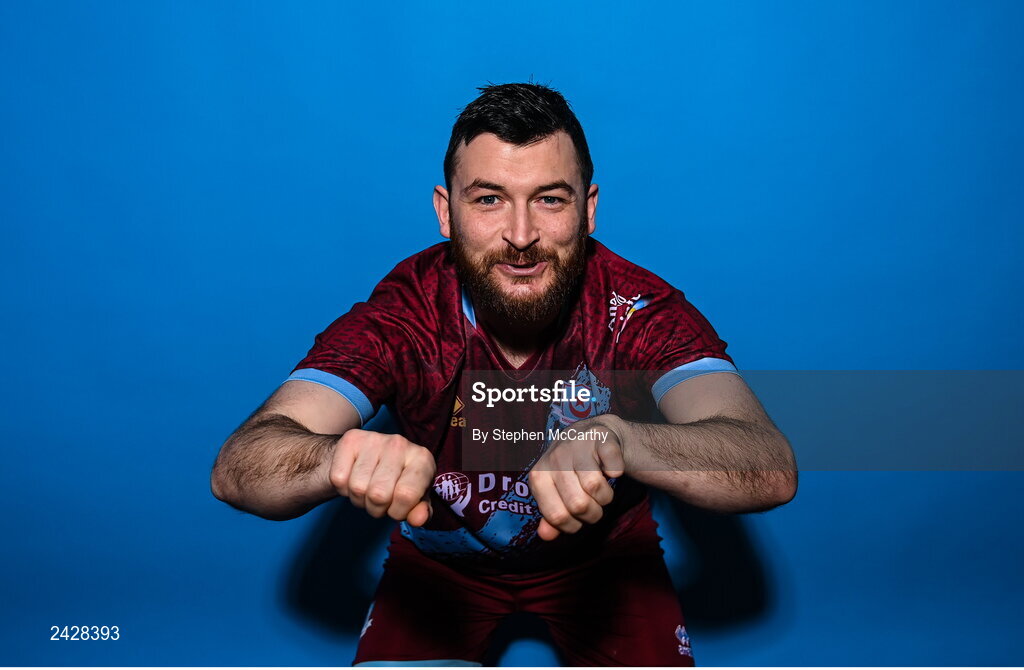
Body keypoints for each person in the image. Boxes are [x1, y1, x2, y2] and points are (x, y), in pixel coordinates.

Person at [210, 83, 797, 666]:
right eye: (489, 199)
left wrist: (626, 439)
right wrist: (335, 460)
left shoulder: (637, 311)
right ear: (446, 211)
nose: (520, 237)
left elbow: (769, 465)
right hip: (439, 563)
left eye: (550, 199)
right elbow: (239, 467)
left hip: (605, 562)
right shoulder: (404, 316)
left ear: (588, 209)